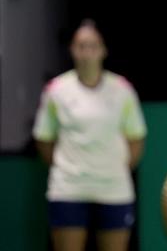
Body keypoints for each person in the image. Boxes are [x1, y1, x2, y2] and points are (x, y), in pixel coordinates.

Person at [32, 19, 147, 251]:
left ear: (103, 50)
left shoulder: (123, 90)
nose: (87, 52)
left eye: (93, 46)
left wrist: (113, 168)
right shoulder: (55, 90)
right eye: (81, 46)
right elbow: (44, 139)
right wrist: (69, 167)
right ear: (72, 50)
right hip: (68, 188)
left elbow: (136, 139)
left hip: (114, 189)